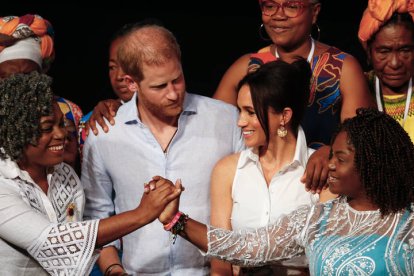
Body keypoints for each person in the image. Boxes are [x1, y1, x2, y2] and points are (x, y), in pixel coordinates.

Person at [155, 107, 414, 275]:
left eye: (341, 159)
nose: (330, 164)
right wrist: (176, 221)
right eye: (331, 155)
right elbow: (242, 247)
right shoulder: (315, 219)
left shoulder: (409, 222)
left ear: (372, 164)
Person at [81, 22, 244, 275]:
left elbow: (245, 206)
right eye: (159, 86)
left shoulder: (226, 120)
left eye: (177, 80)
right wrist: (114, 270)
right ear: (131, 82)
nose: (173, 94)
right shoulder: (104, 135)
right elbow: (97, 220)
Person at [0, 71, 181, 275]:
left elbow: (75, 250)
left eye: (61, 124)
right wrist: (142, 214)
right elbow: (51, 241)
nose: (61, 135)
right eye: (47, 128)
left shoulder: (64, 174)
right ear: (15, 132)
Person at [212, 0, 374, 193]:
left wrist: (331, 152)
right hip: (258, 188)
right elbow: (215, 135)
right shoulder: (245, 68)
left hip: (320, 191)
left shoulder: (343, 68)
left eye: (291, 6)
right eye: (270, 6)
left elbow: (365, 139)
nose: (278, 15)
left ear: (314, 12)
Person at [210, 59, 334, 275]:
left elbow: (326, 258)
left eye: (250, 112)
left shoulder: (320, 172)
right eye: (240, 110)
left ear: (284, 116)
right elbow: (220, 262)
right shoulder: (227, 170)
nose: (240, 121)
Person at [0, 14, 83, 174]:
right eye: (7, 77)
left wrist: (68, 164)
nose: (19, 84)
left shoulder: (68, 111)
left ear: (42, 74)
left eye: (28, 75)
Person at [358, 0, 414, 142]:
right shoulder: (356, 89)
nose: (395, 63)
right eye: (384, 51)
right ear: (369, 53)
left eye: (405, 50)